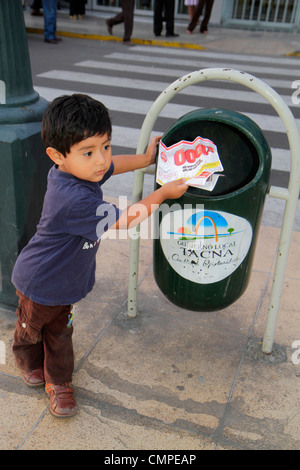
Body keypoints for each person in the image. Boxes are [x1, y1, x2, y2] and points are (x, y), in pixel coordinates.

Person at [11, 94, 188, 418]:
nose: (101, 160)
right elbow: (124, 220)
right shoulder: (73, 198)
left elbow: (114, 166)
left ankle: (59, 383)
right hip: (38, 285)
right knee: (30, 330)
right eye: (89, 152)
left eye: (104, 146)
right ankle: (26, 357)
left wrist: (146, 158)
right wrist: (162, 194)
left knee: (61, 334)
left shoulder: (79, 171)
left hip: (64, 285)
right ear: (57, 156)